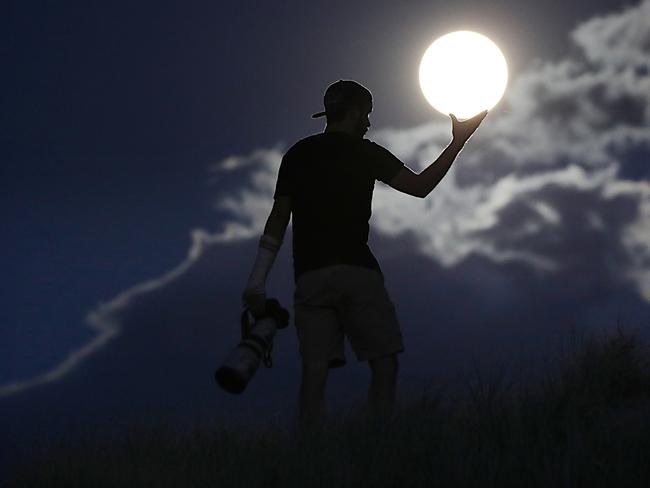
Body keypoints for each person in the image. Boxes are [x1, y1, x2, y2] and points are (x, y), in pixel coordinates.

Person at [242, 79, 487, 434]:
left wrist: (257, 280)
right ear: (356, 113)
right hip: (358, 273)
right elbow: (420, 188)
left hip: (310, 277)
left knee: (314, 372)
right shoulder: (367, 152)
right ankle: (378, 446)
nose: (369, 124)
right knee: (384, 363)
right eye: (367, 116)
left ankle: (311, 460)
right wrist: (458, 141)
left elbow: (278, 218)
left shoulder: (296, 154)